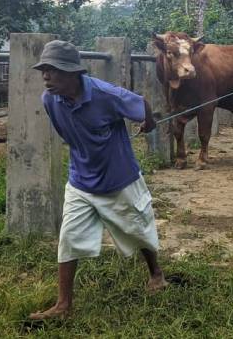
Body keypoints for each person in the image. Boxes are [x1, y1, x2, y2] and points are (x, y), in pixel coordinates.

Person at [28, 40, 166, 321]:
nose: (45, 77)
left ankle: (157, 274)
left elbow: (141, 105)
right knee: (69, 237)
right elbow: (67, 134)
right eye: (43, 70)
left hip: (119, 178)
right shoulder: (49, 100)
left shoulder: (106, 95)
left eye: (52, 71)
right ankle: (63, 306)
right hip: (81, 180)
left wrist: (148, 122)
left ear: (71, 73)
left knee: (139, 229)